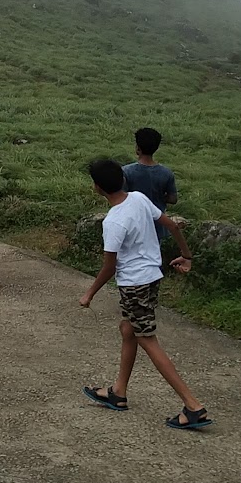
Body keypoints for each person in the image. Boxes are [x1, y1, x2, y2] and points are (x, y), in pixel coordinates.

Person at [80, 158, 208, 430]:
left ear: (97, 187)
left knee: (147, 339)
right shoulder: (138, 198)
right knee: (128, 329)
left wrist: (89, 293)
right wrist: (186, 255)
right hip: (152, 278)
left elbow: (109, 266)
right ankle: (119, 392)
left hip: (134, 284)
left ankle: (192, 405)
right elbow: (172, 226)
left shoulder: (113, 221)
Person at [123, 127, 177, 265]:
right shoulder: (166, 173)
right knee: (152, 260)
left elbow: (122, 197)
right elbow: (173, 199)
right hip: (157, 224)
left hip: (133, 223)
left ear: (138, 148)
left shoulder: (127, 171)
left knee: (131, 259)